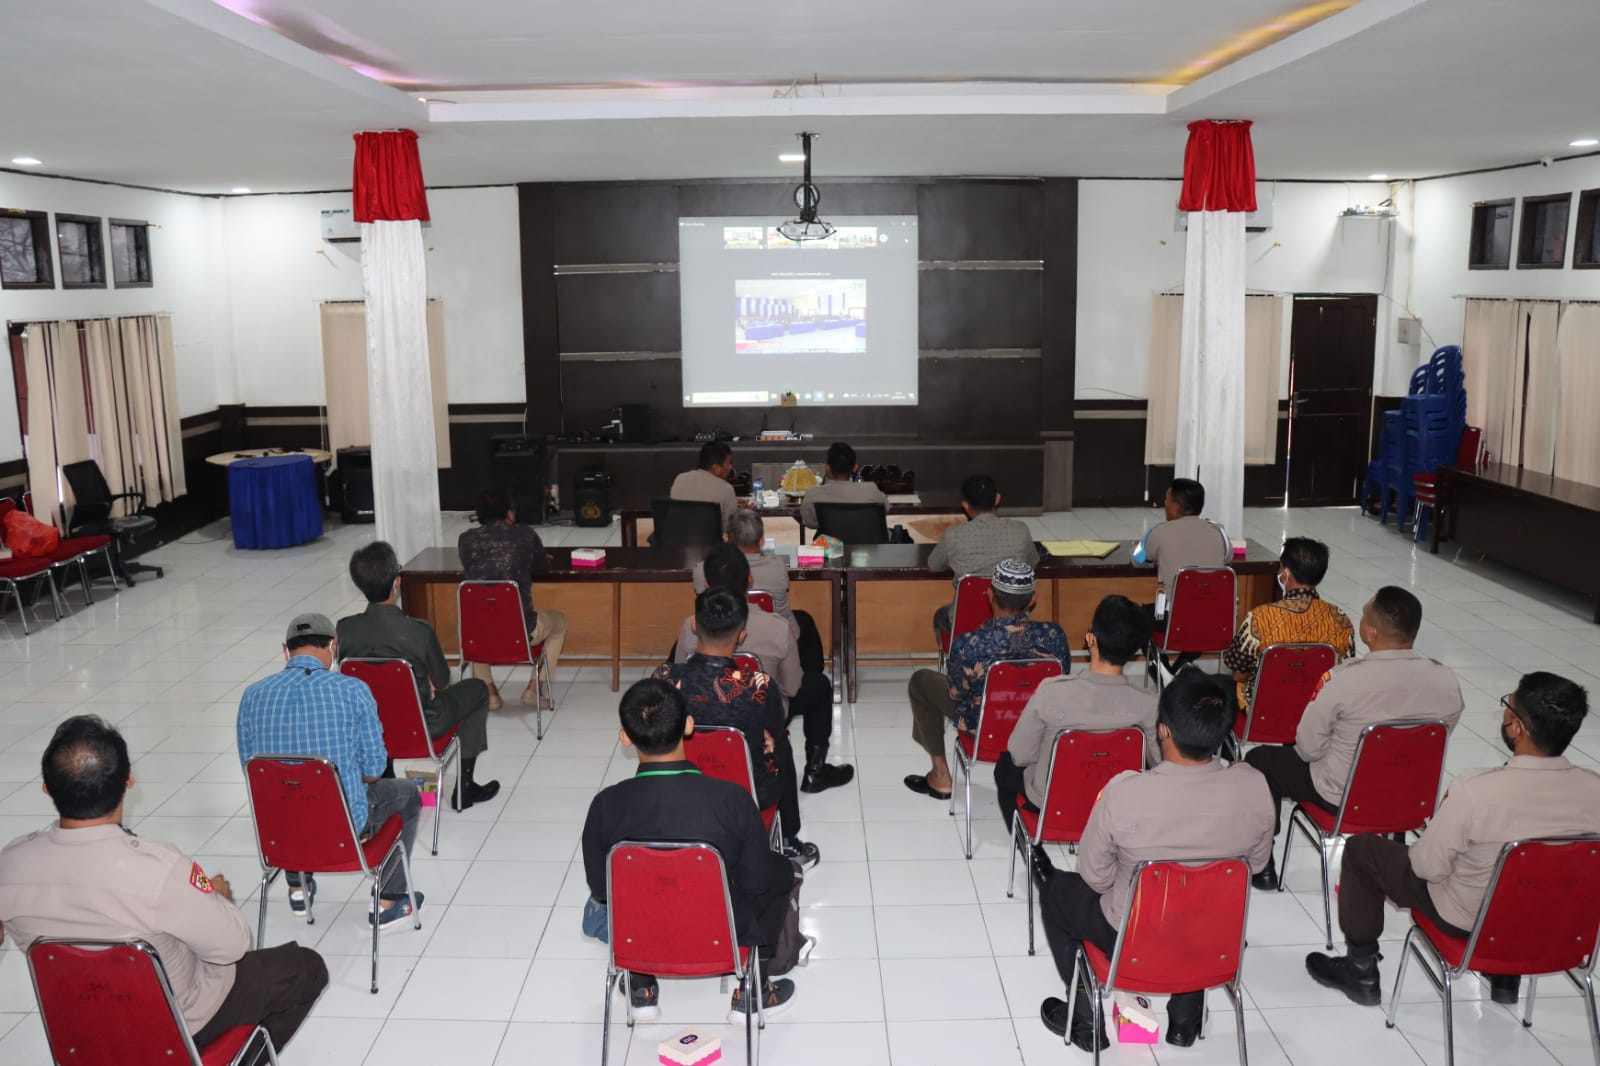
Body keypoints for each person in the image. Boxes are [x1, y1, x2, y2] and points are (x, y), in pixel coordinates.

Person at [0, 716, 328, 1052]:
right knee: (306, 968)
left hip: (82, 1031)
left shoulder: (9, 865)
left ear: (46, 787)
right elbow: (232, 947)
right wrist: (218, 901)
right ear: (128, 780)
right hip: (177, 1025)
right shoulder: (160, 870)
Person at [1306, 671, 1600, 1009]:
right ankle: (1505, 978)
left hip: (1470, 921)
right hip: (1556, 923)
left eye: (1508, 707)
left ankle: (1360, 971)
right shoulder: (1594, 789)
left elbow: (1425, 867)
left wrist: (1443, 824)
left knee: (1362, 850)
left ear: (1518, 728)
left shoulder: (1477, 791)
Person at [1036, 671, 1275, 1051]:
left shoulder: (1125, 792)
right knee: (1199, 899)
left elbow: (1094, 877)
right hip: (1212, 936)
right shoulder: (1256, 786)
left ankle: (1083, 1018)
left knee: (1056, 890)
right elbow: (1257, 867)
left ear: (1163, 730)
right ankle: (1185, 1018)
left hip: (1131, 937)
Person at [582, 679, 801, 1023]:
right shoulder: (731, 799)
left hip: (640, 933)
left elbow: (600, 890)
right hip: (721, 932)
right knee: (780, 871)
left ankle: (641, 987)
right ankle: (752, 991)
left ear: (625, 737)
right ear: (688, 726)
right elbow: (758, 883)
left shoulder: (605, 805)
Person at [1244, 586, 1463, 890]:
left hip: (1342, 798)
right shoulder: (1446, 680)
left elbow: (1307, 749)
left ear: (1371, 632)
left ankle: (1263, 866)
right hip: (1409, 799)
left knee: (1259, 760)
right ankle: (1392, 850)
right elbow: (1434, 738)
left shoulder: (1344, 679)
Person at [237, 612, 423, 928]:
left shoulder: (252, 695)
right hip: (343, 826)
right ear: (333, 646)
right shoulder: (353, 690)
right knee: (407, 794)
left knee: (287, 792)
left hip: (279, 831)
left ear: (285, 650)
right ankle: (388, 901)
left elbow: (251, 770)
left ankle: (298, 887)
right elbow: (375, 770)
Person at [654, 588, 820, 867]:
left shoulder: (664, 677)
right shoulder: (758, 685)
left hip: (677, 788)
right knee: (781, 745)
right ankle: (789, 841)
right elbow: (772, 744)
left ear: (693, 625)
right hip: (748, 794)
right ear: (741, 635)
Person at [336, 541, 501, 811]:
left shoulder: (345, 629)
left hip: (369, 728)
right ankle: (465, 788)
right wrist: (425, 680)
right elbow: (443, 679)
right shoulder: (418, 631)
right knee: (478, 690)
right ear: (397, 582)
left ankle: (385, 781)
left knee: (379, 698)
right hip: (423, 725)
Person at [678, 544, 854, 794]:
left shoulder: (691, 626)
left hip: (705, 715)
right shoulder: (777, 626)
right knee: (817, 685)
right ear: (750, 579)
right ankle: (815, 771)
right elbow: (792, 688)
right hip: (764, 715)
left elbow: (680, 678)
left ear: (706, 584)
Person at [904, 559, 1069, 800]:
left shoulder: (968, 643)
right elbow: (1061, 683)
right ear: (1033, 598)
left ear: (990, 595)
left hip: (985, 731)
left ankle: (941, 777)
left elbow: (956, 694)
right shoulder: (1055, 636)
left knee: (921, 682)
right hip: (1038, 732)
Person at [994, 594, 1159, 835]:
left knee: (1005, 766)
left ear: (1090, 639)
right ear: (1134, 651)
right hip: (1118, 804)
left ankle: (1029, 847)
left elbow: (1020, 755)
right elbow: (1159, 765)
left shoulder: (1052, 691)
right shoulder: (1149, 704)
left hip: (1051, 802)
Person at [458, 488, 567, 711]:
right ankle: (533, 690)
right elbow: (542, 567)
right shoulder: (525, 535)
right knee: (560, 622)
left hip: (483, 634)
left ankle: (490, 694)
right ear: (509, 513)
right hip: (522, 633)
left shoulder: (466, 539)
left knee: (476, 623)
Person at [1222, 537, 1355, 710]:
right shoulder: (1341, 620)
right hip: (1318, 711)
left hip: (1264, 710)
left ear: (1285, 574)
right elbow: (1345, 672)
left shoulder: (1260, 617)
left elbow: (1238, 674)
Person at [698, 509, 826, 673]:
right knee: (804, 619)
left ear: (726, 538)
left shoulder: (703, 570)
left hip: (718, 635)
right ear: (762, 542)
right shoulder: (777, 567)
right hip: (774, 634)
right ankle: (810, 675)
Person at [928, 474, 1040, 635]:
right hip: (1013, 624)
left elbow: (933, 566)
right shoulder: (1020, 529)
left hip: (967, 625)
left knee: (941, 615)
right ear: (997, 499)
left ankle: (955, 650)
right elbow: (1031, 566)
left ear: (965, 505)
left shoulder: (953, 535)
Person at [1131, 477, 1231, 598]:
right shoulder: (1218, 531)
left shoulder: (1160, 532)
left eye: (1167, 500)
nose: (1165, 504)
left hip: (1175, 609)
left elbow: (1138, 560)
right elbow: (1228, 557)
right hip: (1215, 607)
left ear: (1176, 506)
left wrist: (1137, 546)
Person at [799, 441, 887, 530]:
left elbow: (808, 522)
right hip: (865, 538)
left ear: (827, 468)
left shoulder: (813, 493)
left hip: (830, 539)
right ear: (855, 468)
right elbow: (885, 508)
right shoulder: (871, 490)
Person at [670, 441, 743, 525]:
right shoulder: (726, 489)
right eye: (729, 463)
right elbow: (730, 528)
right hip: (711, 534)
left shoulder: (679, 479)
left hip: (677, 533)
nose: (730, 467)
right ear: (716, 468)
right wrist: (741, 514)